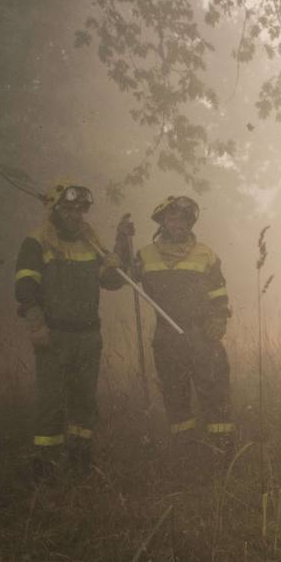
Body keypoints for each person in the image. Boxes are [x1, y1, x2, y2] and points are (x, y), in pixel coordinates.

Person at [13, 182, 125, 479]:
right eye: (68, 208)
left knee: (84, 401)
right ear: (54, 209)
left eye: (80, 209)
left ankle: (79, 464)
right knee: (51, 401)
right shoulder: (37, 241)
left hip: (89, 336)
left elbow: (113, 283)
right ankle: (46, 469)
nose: (75, 215)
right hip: (54, 336)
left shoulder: (92, 242)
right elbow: (25, 286)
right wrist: (36, 323)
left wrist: (117, 256)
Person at [118, 195, 234, 456]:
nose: (179, 223)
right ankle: (187, 453)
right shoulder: (145, 255)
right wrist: (122, 242)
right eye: (172, 217)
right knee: (175, 394)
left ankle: (223, 452)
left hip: (203, 334)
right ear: (162, 221)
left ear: (191, 223)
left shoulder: (206, 253)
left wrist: (218, 319)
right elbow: (119, 277)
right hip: (167, 337)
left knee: (215, 392)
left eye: (184, 219)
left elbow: (219, 291)